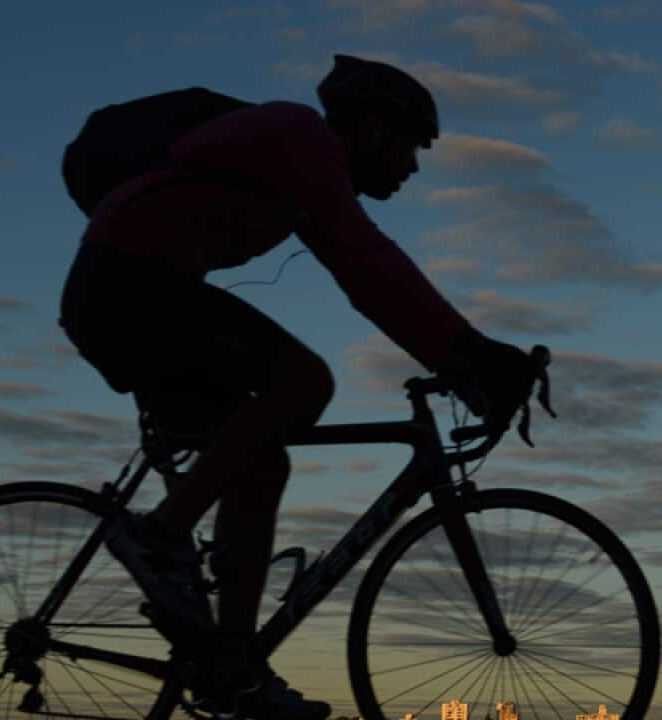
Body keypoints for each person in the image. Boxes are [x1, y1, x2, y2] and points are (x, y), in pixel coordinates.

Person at [58, 54, 537, 720]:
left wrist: (460, 361)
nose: (413, 166)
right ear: (373, 129)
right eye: (411, 146)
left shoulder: (303, 178)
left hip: (135, 296)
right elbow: (368, 257)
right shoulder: (298, 135)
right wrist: (473, 351)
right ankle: (158, 537)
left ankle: (232, 671)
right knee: (304, 382)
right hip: (129, 289)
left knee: (260, 462)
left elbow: (368, 285)